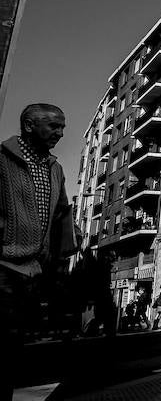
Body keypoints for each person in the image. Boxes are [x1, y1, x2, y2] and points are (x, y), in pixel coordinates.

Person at [1, 104, 77, 401]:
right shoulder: (3, 159)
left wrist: (61, 256)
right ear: (30, 126)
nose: (60, 133)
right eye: (53, 126)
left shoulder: (54, 168)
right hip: (4, 266)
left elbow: (61, 214)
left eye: (62, 127)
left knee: (13, 349)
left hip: (33, 271)